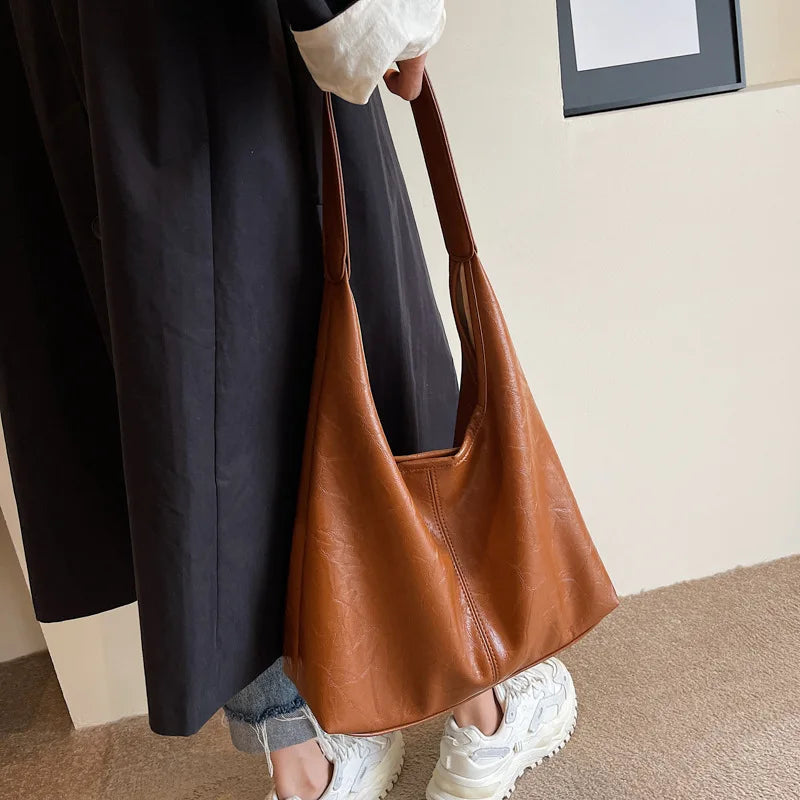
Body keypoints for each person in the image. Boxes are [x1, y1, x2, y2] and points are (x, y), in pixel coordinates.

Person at [2, 1, 577, 798]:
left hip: (60, 41)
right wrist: (368, 15)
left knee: (183, 401)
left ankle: (305, 767)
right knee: (359, 344)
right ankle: (481, 711)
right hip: (214, 40)